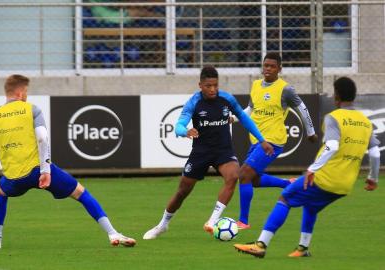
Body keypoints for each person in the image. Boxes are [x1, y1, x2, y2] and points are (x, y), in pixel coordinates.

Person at [0, 75, 136, 249]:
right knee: (81, 193)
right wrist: (45, 170)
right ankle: (112, 233)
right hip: (39, 170)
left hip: (13, 177)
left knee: (0, 194)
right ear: (21, 92)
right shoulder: (32, 110)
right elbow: (43, 138)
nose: (27, 95)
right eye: (26, 91)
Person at [234, 77, 380, 258]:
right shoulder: (365, 122)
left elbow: (332, 146)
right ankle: (303, 248)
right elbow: (375, 153)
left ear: (337, 96)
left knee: (285, 199)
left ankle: (260, 245)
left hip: (324, 178)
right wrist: (373, 178)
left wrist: (313, 169)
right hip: (346, 185)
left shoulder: (334, 118)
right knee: (311, 207)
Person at [143, 66, 274, 240]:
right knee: (182, 191)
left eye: (215, 85)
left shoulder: (227, 99)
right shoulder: (194, 102)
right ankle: (162, 224)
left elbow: (244, 118)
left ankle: (212, 221)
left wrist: (262, 140)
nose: (212, 89)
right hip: (201, 153)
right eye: (208, 86)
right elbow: (179, 126)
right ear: (200, 85)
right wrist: (185, 131)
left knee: (233, 176)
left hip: (223, 151)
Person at [234, 52, 318, 229]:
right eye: (265, 65)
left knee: (243, 175)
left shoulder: (285, 89)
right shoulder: (256, 85)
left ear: (280, 68)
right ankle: (288, 183)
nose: (268, 69)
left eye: (272, 66)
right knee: (253, 180)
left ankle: (243, 221)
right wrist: (235, 118)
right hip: (256, 139)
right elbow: (250, 108)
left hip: (273, 140)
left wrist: (310, 132)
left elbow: (302, 108)